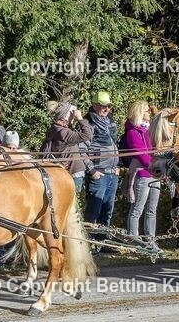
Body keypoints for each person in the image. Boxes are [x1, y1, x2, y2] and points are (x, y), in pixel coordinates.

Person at [123, 101, 160, 244]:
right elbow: (140, 153)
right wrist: (154, 165)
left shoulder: (149, 130)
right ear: (139, 113)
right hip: (143, 174)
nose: (149, 113)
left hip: (155, 173)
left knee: (152, 210)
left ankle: (151, 239)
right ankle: (134, 239)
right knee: (137, 208)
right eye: (146, 111)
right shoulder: (133, 132)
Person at [84, 91, 120, 226]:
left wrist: (118, 165)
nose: (107, 109)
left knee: (107, 211)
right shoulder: (87, 123)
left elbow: (116, 144)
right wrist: (92, 170)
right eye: (103, 106)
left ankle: (103, 243)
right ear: (94, 105)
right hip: (99, 173)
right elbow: (81, 150)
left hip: (112, 173)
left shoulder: (111, 121)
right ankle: (90, 243)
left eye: (109, 106)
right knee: (93, 211)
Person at [43, 102, 94, 192]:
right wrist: (80, 118)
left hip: (64, 172)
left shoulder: (56, 128)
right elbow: (87, 135)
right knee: (72, 203)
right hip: (72, 173)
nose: (75, 113)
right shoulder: (64, 132)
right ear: (66, 115)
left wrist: (71, 122)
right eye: (73, 112)